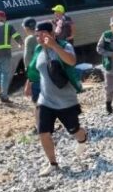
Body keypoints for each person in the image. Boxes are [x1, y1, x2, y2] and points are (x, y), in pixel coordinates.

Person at [25, 21, 87, 176]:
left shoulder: (65, 46)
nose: (39, 38)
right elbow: (34, 69)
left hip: (66, 100)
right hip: (45, 100)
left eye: (42, 34)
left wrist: (54, 46)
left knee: (75, 130)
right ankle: (53, 164)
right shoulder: (38, 50)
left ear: (51, 34)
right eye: (37, 35)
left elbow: (71, 61)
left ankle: (82, 139)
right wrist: (29, 83)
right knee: (43, 132)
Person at [22, 17, 40, 131]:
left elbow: (27, 59)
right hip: (44, 71)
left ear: (26, 28)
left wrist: (28, 78)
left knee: (37, 101)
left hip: (35, 73)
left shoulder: (29, 39)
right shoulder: (40, 36)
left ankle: (39, 126)